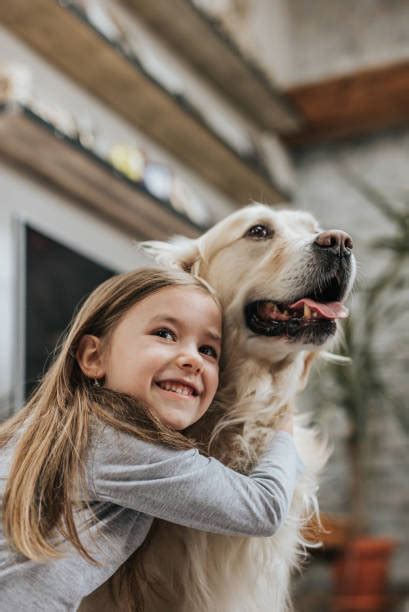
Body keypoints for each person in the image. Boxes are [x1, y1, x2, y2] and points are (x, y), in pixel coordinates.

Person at [0, 267, 302, 611]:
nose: (192, 359)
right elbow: (263, 509)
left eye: (208, 350)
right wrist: (284, 428)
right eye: (165, 333)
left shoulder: (65, 430)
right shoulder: (120, 443)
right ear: (93, 357)